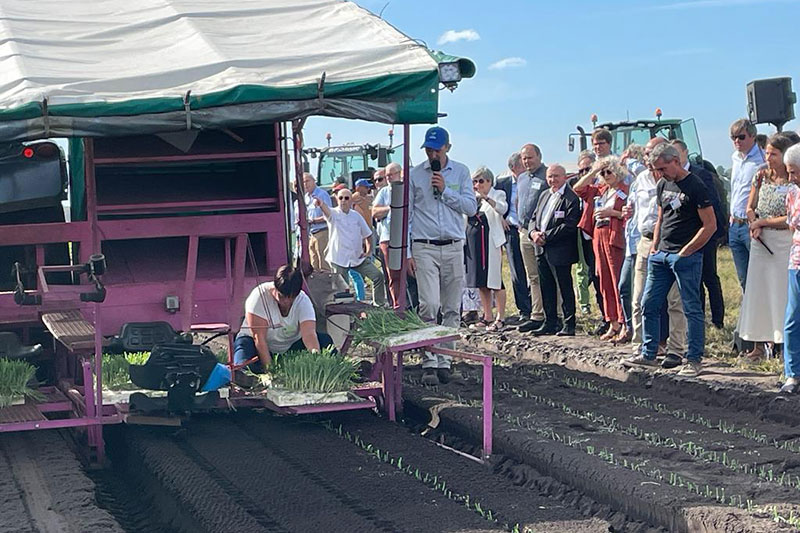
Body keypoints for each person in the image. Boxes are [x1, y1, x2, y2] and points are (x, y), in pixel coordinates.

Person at [624, 143, 716, 377]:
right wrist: (655, 246)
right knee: (649, 303)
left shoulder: (696, 185)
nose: (659, 174)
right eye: (656, 170)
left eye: (663, 168)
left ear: (675, 160)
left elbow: (710, 225)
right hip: (661, 255)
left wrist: (687, 251)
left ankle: (693, 358)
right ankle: (649, 353)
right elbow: (661, 218)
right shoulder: (663, 184)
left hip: (685, 257)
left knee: (690, 307)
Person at [408, 126, 477, 385]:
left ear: (447, 147)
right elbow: (409, 216)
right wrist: (406, 253)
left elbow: (471, 207)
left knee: (451, 307)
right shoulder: (415, 175)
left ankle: (445, 359)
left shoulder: (461, 172)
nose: (432, 153)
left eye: (436, 149)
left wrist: (446, 190)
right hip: (424, 245)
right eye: (428, 149)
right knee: (429, 304)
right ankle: (429, 359)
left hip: (453, 245)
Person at [625, 137, 687, 367]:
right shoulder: (640, 179)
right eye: (647, 153)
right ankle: (641, 347)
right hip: (645, 242)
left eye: (654, 153)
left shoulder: (674, 180)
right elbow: (637, 209)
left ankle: (676, 349)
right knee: (640, 297)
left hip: (671, 244)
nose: (649, 158)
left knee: (675, 301)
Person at [738, 134, 797, 360]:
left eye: (773, 153)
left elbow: (791, 217)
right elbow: (750, 206)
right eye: (767, 153)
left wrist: (763, 222)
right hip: (761, 242)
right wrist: (754, 221)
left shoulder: (794, 181)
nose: (768, 157)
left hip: (784, 242)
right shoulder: (761, 176)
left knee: (781, 292)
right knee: (759, 292)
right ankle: (759, 346)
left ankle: (784, 346)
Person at [233, 264, 333, 371]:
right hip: (255, 344)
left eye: (290, 298)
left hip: (288, 346)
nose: (285, 302)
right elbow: (259, 339)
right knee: (243, 366)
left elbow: (309, 334)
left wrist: (315, 357)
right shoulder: (258, 297)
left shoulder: (303, 301)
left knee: (324, 340)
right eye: (281, 296)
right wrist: (270, 370)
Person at [573, 156, 629, 340]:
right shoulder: (600, 190)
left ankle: (624, 322)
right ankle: (612, 321)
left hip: (614, 236)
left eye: (609, 171)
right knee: (603, 280)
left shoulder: (625, 190)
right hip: (598, 235)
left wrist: (611, 213)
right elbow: (578, 188)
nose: (606, 175)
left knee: (617, 280)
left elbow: (629, 213)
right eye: (603, 172)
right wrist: (595, 170)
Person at [672, 139, 726, 329]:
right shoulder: (672, 178)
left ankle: (718, 320)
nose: (675, 157)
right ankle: (698, 319)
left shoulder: (702, 174)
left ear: (686, 153)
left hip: (706, 232)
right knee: (694, 280)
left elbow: (712, 203)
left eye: (678, 153)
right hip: (687, 234)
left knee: (709, 276)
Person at [527, 164, 581, 336]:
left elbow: (570, 225)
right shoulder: (544, 195)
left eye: (556, 176)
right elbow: (534, 218)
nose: (553, 180)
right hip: (541, 248)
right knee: (546, 286)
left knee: (564, 286)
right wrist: (533, 233)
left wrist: (546, 236)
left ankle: (569, 324)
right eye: (550, 176)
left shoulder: (571, 198)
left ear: (564, 176)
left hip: (560, 249)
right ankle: (550, 322)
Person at [316, 188, 387, 306]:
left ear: (351, 201)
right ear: (337, 200)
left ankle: (379, 305)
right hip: (338, 259)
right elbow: (326, 211)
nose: (343, 201)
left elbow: (368, 234)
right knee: (341, 290)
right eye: (340, 198)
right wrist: (321, 204)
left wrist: (369, 251)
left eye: (346, 198)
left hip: (357, 258)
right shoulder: (333, 213)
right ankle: (344, 313)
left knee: (377, 276)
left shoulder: (356, 216)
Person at [466, 166, 508, 331]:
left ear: (489, 181)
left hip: (491, 242)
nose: (478, 184)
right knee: (481, 281)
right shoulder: (472, 198)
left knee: (496, 281)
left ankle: (501, 317)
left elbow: (502, 208)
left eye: (481, 181)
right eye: (475, 181)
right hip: (476, 243)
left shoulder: (497, 194)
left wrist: (486, 198)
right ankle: (487, 315)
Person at [494, 152, 532, 324]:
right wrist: (500, 218)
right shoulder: (502, 183)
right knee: (517, 271)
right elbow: (495, 203)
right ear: (514, 168)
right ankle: (524, 309)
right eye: (523, 165)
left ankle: (538, 307)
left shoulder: (532, 181)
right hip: (511, 229)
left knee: (533, 270)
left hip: (529, 229)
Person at [516, 144, 549, 333]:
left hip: (541, 233)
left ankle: (554, 313)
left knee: (547, 274)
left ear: (539, 156)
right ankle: (537, 314)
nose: (527, 161)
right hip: (524, 232)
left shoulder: (546, 176)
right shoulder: (521, 178)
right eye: (524, 158)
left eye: (530, 157)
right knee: (532, 276)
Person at [728, 119, 765, 290]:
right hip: (735, 224)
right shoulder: (735, 158)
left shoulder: (762, 160)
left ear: (753, 136)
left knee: (760, 275)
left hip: (751, 224)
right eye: (733, 137)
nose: (737, 141)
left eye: (741, 137)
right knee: (743, 278)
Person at [571, 150, 605, 322]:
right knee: (588, 274)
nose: (584, 174)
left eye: (588, 169)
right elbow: (577, 188)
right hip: (586, 237)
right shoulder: (587, 188)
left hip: (602, 236)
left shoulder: (602, 185)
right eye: (581, 171)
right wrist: (589, 174)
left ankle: (610, 318)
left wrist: (596, 172)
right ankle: (603, 315)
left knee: (602, 279)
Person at [782, 143, 800, 394]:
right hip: (797, 261)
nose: (791, 177)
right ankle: (792, 374)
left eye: (794, 171)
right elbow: (790, 225)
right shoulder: (792, 193)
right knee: (793, 318)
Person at [372, 162, 404, 307]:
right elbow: (375, 212)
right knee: (393, 274)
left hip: (406, 237)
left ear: (400, 173)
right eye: (387, 175)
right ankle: (396, 305)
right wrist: (392, 208)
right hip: (388, 238)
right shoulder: (384, 192)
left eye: (391, 174)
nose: (389, 178)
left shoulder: (407, 189)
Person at [303, 173, 332, 272]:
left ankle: (327, 286)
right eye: (303, 182)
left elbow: (329, 214)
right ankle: (316, 286)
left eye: (307, 181)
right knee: (313, 264)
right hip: (311, 234)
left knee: (323, 263)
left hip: (322, 232)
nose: (305, 184)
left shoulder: (322, 194)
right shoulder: (306, 197)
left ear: (314, 181)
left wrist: (314, 221)